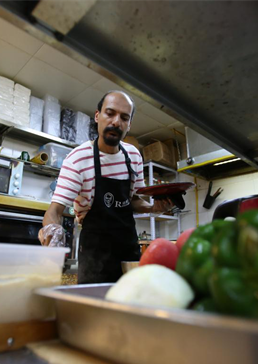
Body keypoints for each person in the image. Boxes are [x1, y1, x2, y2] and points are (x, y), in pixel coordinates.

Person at [39, 90, 173, 284]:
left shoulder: (134, 156)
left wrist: (154, 208)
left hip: (129, 251)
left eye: (124, 117)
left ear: (129, 125)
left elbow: (134, 200)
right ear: (97, 116)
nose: (116, 122)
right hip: (95, 253)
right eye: (110, 113)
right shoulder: (77, 159)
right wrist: (53, 233)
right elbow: (55, 211)